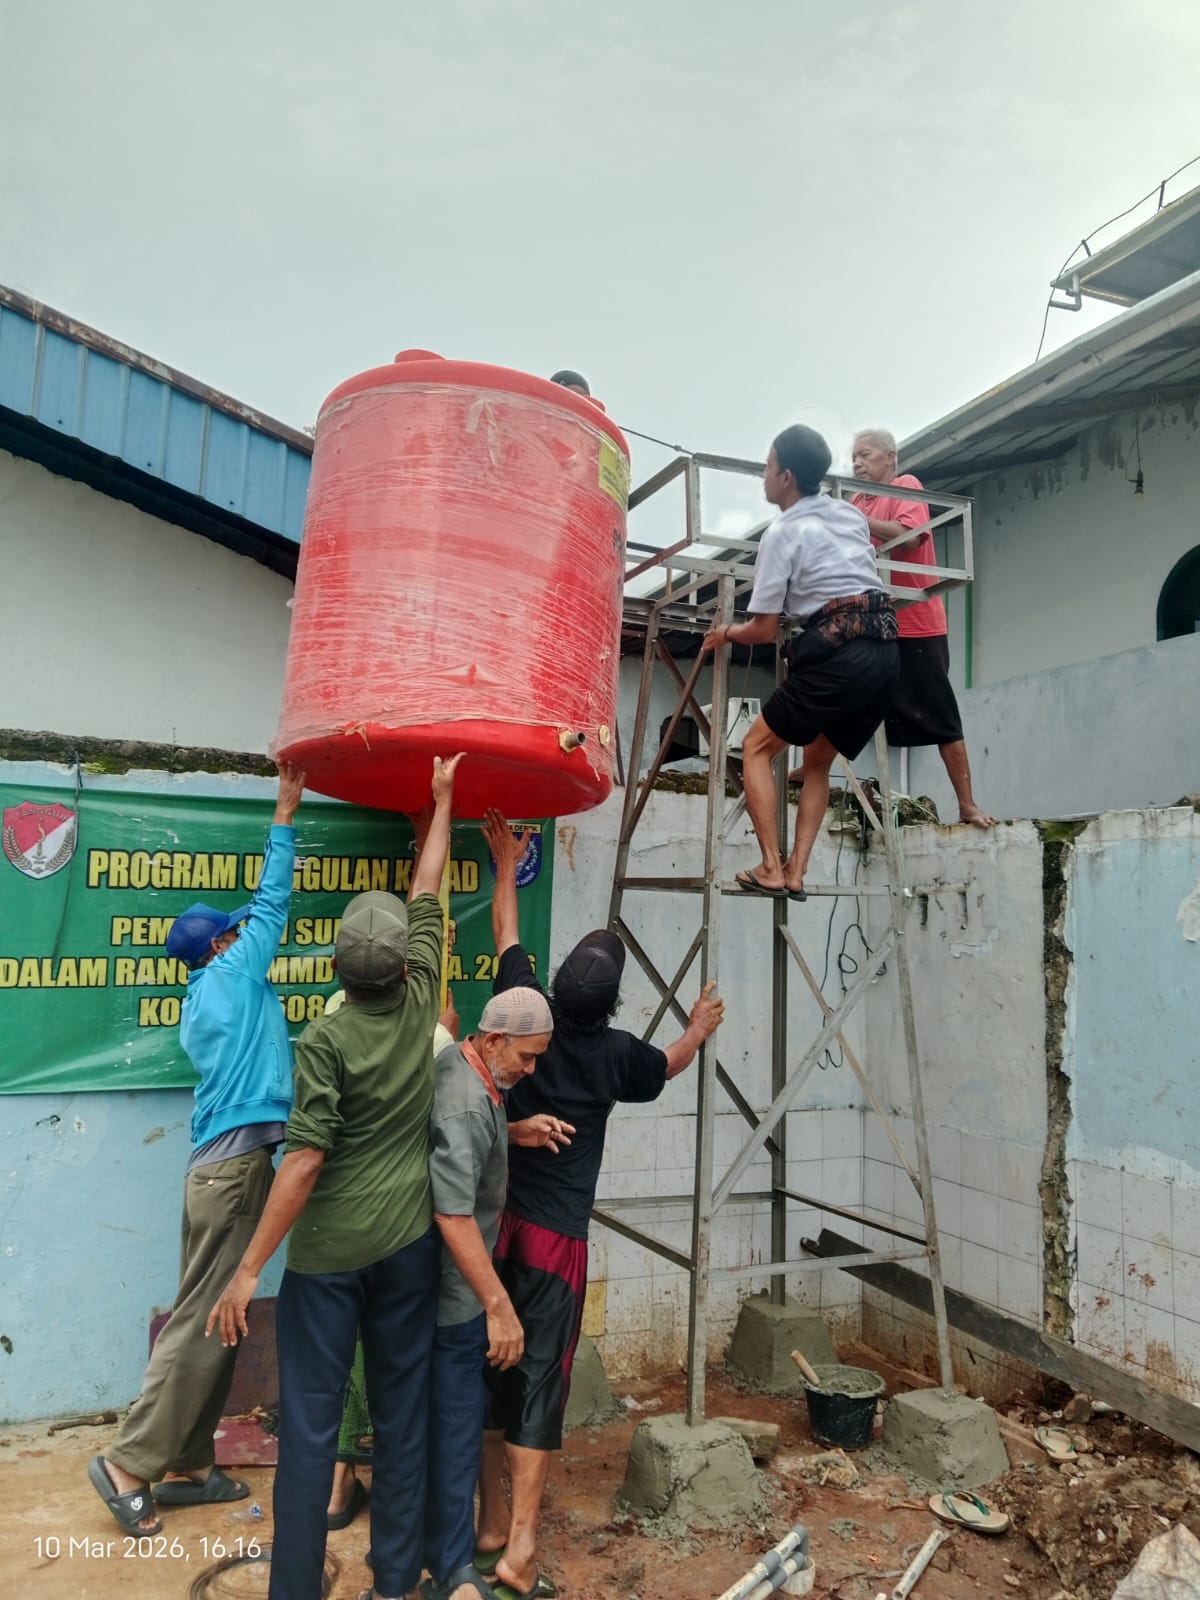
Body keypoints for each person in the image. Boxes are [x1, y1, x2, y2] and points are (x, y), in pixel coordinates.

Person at [207, 754, 463, 1600]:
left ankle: (294, 1589)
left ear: (340, 970)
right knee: (400, 1416)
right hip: (407, 1251)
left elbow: (307, 1157)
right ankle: (394, 1582)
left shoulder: (324, 1040)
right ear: (403, 967)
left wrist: (250, 1267)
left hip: (324, 1264)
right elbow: (428, 888)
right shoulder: (423, 1002)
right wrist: (441, 800)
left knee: (313, 1431)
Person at [475, 809, 725, 1600]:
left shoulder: (525, 1013)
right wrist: (698, 1027)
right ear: (613, 1005)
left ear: (553, 987)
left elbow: (506, 927)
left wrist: (507, 861)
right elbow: (670, 1062)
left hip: (495, 1231)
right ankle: (520, 1546)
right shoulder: (619, 1056)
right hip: (556, 1245)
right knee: (538, 1385)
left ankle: (489, 1519)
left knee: (488, 1370)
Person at [87, 762, 306, 1536]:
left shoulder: (203, 994)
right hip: (235, 1174)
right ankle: (128, 1463)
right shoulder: (236, 973)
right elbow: (271, 903)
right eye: (234, 932)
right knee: (201, 1320)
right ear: (222, 944)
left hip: (213, 1172)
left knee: (215, 1315)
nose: (247, 934)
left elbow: (253, 922)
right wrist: (285, 812)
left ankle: (185, 1463)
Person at [701, 424, 899, 899]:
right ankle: (795, 872)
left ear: (786, 477)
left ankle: (771, 866)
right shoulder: (848, 515)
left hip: (839, 653)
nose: (763, 476)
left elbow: (764, 630)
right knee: (817, 763)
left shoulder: (782, 533)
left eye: (768, 467)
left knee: (755, 748)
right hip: (886, 651)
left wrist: (726, 632)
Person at [422, 986, 558, 1600]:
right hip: (455, 1295)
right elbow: (452, 1215)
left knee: (453, 1421)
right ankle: (454, 1571)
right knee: (457, 1431)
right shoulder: (466, 1104)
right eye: (527, 1057)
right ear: (495, 1039)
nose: (531, 1070)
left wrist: (513, 1130)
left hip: (455, 1286)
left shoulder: (464, 1062)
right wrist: (499, 1307)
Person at [850, 428, 994, 828]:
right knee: (841, 696)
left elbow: (909, 538)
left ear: (889, 458)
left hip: (915, 622)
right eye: (853, 458)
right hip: (873, 622)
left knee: (942, 717)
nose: (857, 464)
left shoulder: (904, 487)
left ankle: (966, 804)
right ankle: (808, 769)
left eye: (864, 455)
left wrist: (859, 520)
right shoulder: (855, 500)